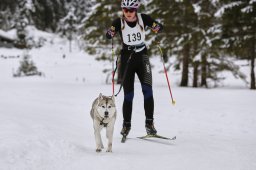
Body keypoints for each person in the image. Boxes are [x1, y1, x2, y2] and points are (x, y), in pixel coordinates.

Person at [106, 0, 163, 137]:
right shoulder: (118, 22)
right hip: (127, 59)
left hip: (142, 57)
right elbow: (108, 35)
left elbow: (159, 27)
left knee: (148, 91)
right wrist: (111, 32)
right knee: (129, 95)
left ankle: (149, 124)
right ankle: (126, 125)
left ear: (136, 10)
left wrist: (157, 27)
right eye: (125, 10)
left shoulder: (144, 18)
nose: (128, 13)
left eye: (131, 10)